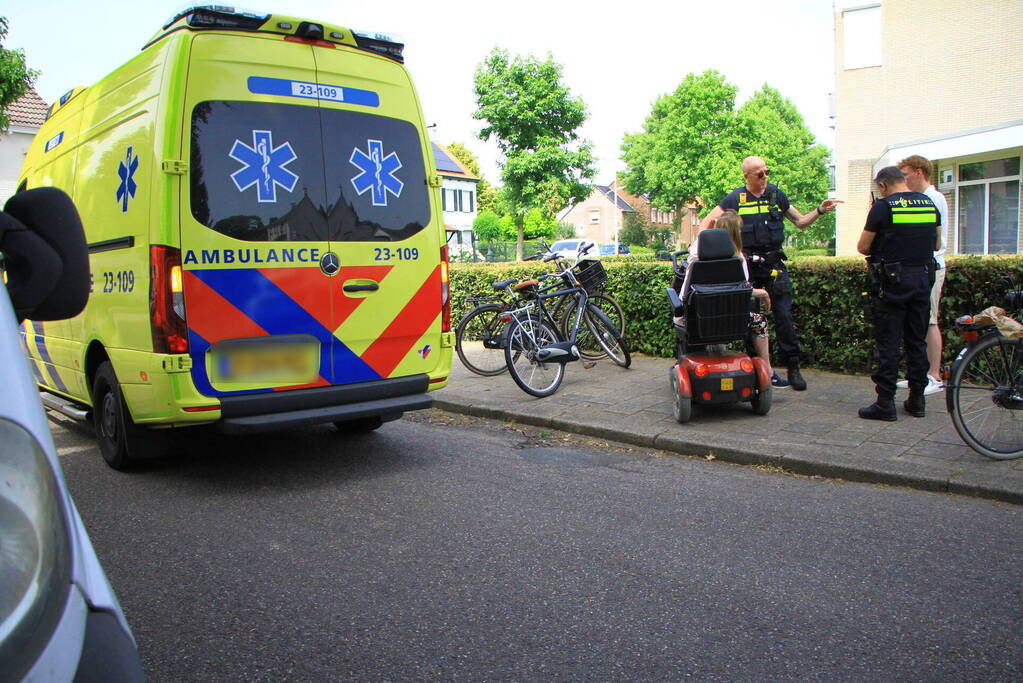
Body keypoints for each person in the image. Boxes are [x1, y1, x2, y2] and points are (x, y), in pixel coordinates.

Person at [699, 156, 842, 391]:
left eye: (767, 172)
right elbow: (707, 223)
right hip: (750, 269)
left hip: (775, 268)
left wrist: (820, 210)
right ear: (747, 176)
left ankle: (793, 368)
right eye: (759, 174)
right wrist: (719, 252)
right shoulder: (736, 198)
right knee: (752, 321)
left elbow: (801, 222)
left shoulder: (776, 195)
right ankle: (760, 370)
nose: (765, 177)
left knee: (785, 319)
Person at [856, 166, 942, 421]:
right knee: (916, 340)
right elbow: (936, 243)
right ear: (903, 180)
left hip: (892, 282)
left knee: (888, 343)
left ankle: (885, 403)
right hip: (922, 279)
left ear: (883, 185)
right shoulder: (928, 204)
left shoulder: (883, 207)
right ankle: (917, 400)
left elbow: (863, 247)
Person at [679, 210, 781, 384]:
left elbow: (684, 294)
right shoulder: (738, 260)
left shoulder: (696, 258)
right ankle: (769, 371)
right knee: (760, 321)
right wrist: (761, 292)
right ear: (736, 232)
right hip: (732, 321)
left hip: (696, 320)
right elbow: (743, 290)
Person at [896, 155, 948, 395]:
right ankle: (917, 374)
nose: (903, 181)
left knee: (930, 320)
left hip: (931, 266)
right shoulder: (922, 198)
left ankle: (934, 375)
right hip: (920, 266)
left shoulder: (933, 198)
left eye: (905, 175)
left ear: (919, 172)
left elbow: (936, 241)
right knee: (917, 321)